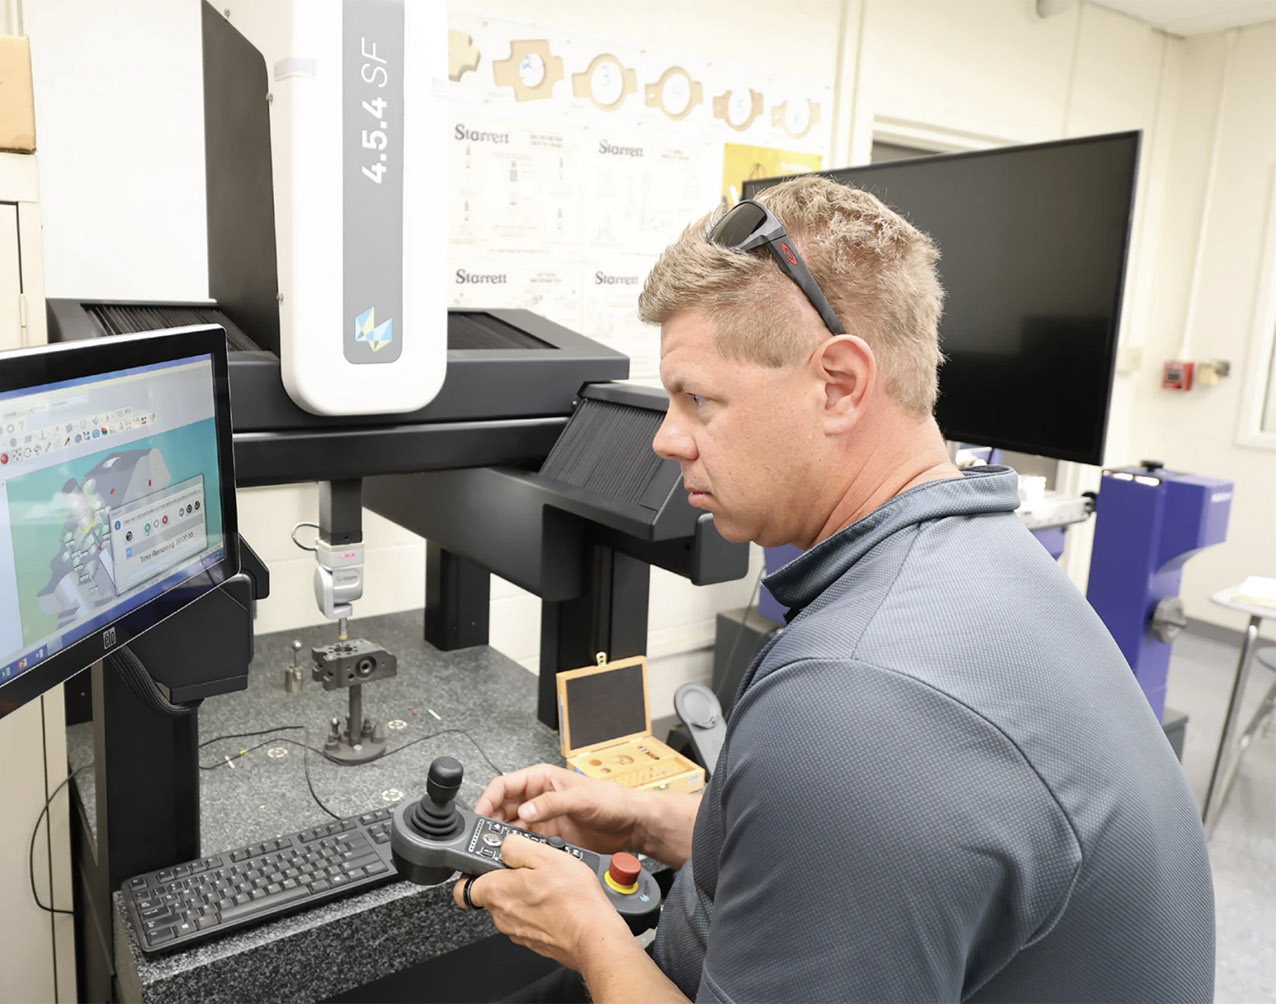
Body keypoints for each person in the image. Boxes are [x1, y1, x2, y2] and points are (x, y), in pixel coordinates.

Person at [453, 176, 1216, 1003]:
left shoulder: (856, 701)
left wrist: (590, 936)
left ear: (841, 385)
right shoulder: (984, 553)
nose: (667, 437)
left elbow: (857, 781)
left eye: (699, 399)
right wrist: (659, 821)